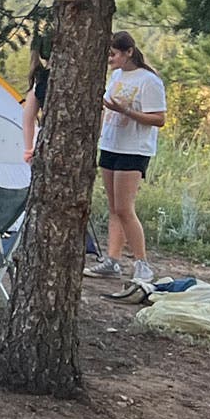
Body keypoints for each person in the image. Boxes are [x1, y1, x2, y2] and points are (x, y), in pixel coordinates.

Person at [86, 31, 167, 282]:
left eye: (113, 54)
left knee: (124, 207)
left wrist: (126, 111)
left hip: (134, 148)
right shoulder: (116, 76)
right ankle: (112, 259)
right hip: (112, 143)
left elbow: (159, 119)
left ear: (128, 52)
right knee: (114, 207)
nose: (109, 59)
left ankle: (142, 263)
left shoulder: (148, 80)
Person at [22, 31, 50, 161]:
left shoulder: (39, 80)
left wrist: (28, 150)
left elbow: (28, 118)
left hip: (47, 140)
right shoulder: (70, 78)